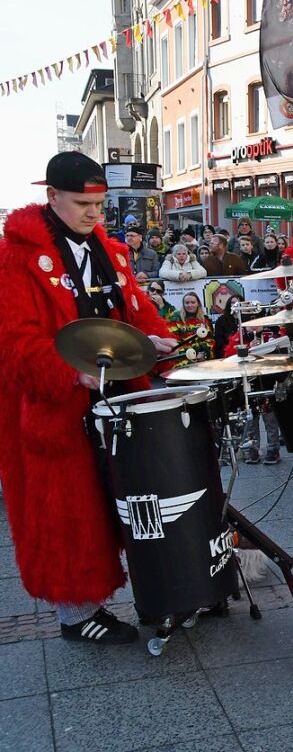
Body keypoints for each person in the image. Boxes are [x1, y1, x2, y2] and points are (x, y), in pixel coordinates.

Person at [0, 152, 175, 644]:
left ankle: (164, 583)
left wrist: (157, 342)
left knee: (127, 496)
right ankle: (76, 614)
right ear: (51, 196)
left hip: (119, 396)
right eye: (83, 204)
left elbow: (136, 309)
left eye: (100, 203)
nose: (94, 214)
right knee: (69, 514)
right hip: (54, 410)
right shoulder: (16, 257)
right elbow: (14, 342)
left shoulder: (110, 251)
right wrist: (70, 374)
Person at [161, 292, 214, 369]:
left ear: (198, 304)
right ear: (183, 304)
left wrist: (204, 353)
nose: (190, 305)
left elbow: (210, 340)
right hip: (182, 358)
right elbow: (173, 343)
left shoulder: (205, 320)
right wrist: (190, 354)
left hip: (201, 358)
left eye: (193, 302)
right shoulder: (175, 319)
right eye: (187, 303)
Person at [213, 294, 243, 358]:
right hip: (227, 354)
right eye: (233, 303)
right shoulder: (221, 320)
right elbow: (219, 340)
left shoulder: (247, 319)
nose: (235, 304)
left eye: (238, 302)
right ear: (229, 304)